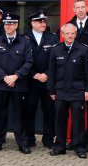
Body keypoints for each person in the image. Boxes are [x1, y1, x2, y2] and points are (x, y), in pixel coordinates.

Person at [0, 12, 33, 154]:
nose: (9, 26)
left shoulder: (25, 41)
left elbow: (29, 61)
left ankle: (22, 143)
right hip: (0, 84)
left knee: (19, 116)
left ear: (17, 25)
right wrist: (4, 77)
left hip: (18, 84)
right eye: (7, 23)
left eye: (12, 23)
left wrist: (16, 76)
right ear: (3, 24)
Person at [48, 23, 88, 159]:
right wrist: (51, 91)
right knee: (59, 120)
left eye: (72, 33)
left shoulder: (83, 50)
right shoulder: (55, 50)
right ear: (62, 35)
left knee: (78, 121)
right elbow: (52, 72)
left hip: (77, 92)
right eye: (67, 33)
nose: (70, 36)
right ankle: (60, 146)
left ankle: (79, 147)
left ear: (76, 34)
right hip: (60, 91)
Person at [63, 0, 88, 151]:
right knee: (75, 109)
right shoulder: (69, 25)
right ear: (74, 9)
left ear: (87, 7)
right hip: (73, 74)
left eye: (82, 7)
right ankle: (75, 140)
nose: (80, 10)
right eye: (77, 7)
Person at [23, 9, 58, 149]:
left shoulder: (52, 38)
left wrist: (46, 74)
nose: (43, 23)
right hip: (30, 81)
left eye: (44, 21)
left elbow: (55, 60)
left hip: (47, 81)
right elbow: (22, 60)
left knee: (49, 110)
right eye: (40, 21)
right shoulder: (24, 38)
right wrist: (33, 74)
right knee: (29, 110)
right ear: (32, 23)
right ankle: (29, 138)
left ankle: (48, 139)